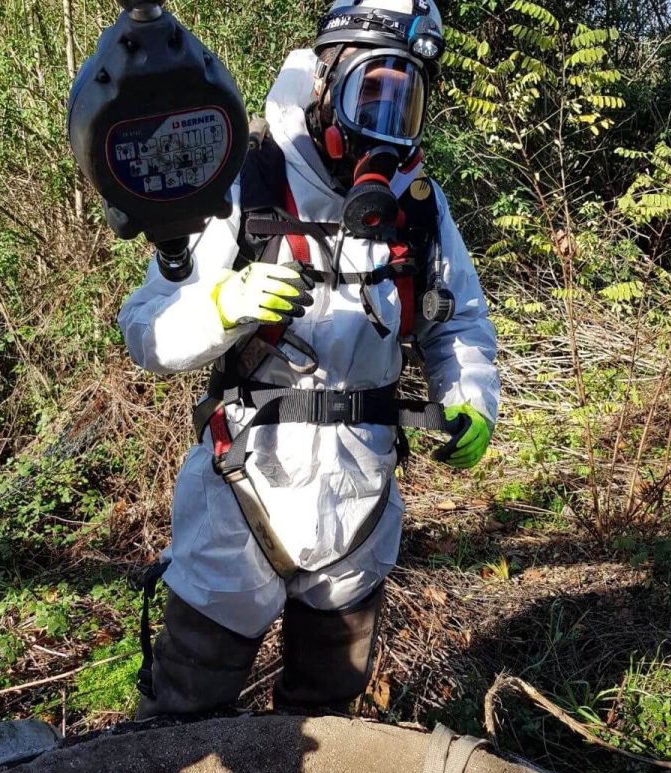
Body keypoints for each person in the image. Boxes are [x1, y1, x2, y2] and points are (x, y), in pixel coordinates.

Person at [118, 0, 499, 717]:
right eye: (370, 94)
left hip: (359, 504)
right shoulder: (246, 180)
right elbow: (146, 328)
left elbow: (461, 326)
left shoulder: (418, 207)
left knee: (325, 725)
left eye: (405, 104)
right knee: (182, 717)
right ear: (324, 80)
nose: (383, 127)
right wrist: (224, 306)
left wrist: (471, 399)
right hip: (243, 493)